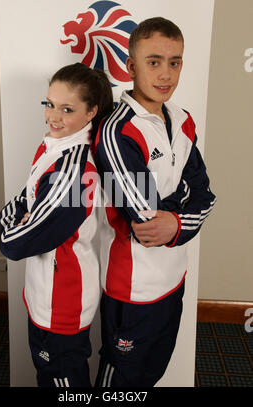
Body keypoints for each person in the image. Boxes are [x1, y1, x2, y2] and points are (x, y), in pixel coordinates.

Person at [94, 17, 216, 387]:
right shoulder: (116, 131)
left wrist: (176, 218)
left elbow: (206, 194)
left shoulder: (184, 120)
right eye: (153, 62)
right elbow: (145, 222)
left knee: (151, 373)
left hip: (173, 277)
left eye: (174, 62)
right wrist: (183, 206)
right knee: (120, 380)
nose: (166, 74)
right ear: (130, 66)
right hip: (132, 286)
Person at [0, 63, 113, 387]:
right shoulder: (53, 143)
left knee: (62, 384)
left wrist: (13, 220)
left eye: (66, 109)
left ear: (91, 112)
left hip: (62, 300)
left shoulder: (71, 173)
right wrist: (22, 216)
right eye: (49, 104)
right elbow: (25, 200)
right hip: (45, 288)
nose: (53, 116)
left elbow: (13, 244)